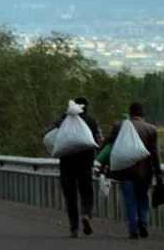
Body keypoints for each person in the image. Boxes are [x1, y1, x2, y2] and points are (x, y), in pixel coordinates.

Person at [42, 96, 104, 238]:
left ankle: (74, 228)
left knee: (70, 195)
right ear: (86, 108)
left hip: (67, 163)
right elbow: (99, 142)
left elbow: (46, 133)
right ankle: (87, 214)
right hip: (86, 162)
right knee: (86, 191)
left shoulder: (64, 119)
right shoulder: (92, 121)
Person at [103, 102, 163, 240]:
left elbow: (107, 143)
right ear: (143, 114)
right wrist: (158, 172)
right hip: (144, 172)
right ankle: (143, 222)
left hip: (125, 171)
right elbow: (155, 153)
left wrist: (102, 159)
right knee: (142, 197)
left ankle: (133, 230)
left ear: (130, 113)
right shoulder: (151, 129)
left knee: (129, 201)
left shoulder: (120, 126)